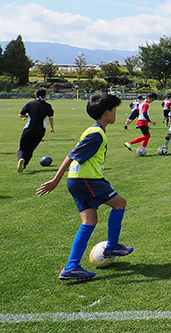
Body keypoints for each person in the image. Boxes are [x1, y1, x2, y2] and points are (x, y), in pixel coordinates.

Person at [36, 93, 133, 282]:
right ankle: (112, 246)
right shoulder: (96, 134)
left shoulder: (94, 130)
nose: (116, 113)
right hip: (86, 180)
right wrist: (55, 179)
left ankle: (71, 267)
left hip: (79, 180)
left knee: (89, 221)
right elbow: (71, 155)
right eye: (114, 110)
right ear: (106, 112)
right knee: (120, 203)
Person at [17, 88, 55, 172]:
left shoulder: (30, 104)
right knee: (30, 150)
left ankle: (21, 159)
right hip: (40, 130)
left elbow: (20, 115)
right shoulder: (48, 106)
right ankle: (24, 166)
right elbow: (50, 118)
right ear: (45, 96)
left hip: (28, 129)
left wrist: (26, 116)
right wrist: (52, 128)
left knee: (22, 149)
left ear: (35, 95)